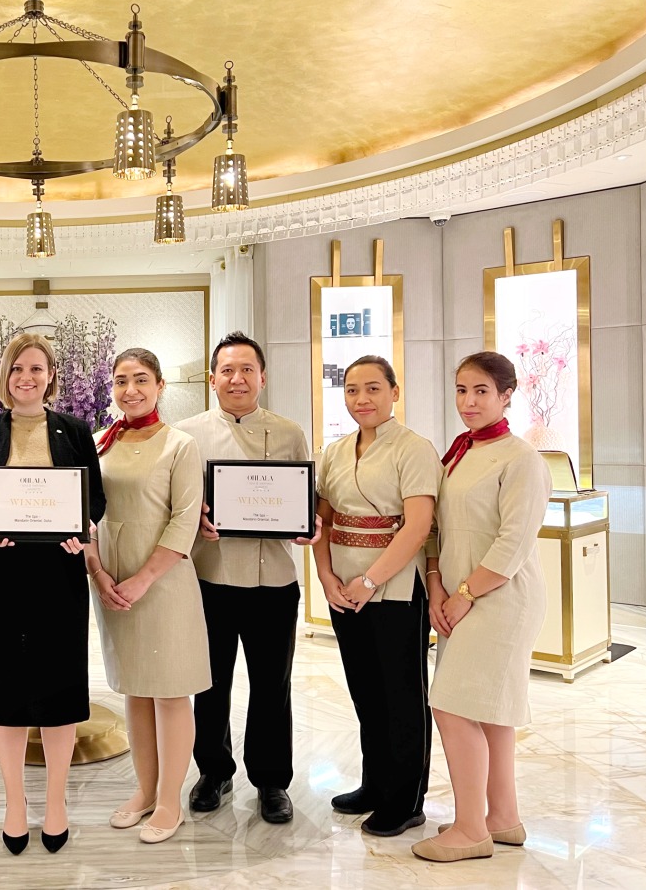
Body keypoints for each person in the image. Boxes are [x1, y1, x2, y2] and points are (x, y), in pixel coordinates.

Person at [0, 333, 106, 855]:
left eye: (37, 369)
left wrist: (80, 527)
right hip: (3, 572)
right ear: (5, 377)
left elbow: (97, 500)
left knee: (60, 691)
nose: (27, 378)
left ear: (51, 375)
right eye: (18, 369)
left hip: (59, 574)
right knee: (6, 692)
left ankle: (56, 803)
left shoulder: (76, 430)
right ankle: (15, 804)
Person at [412, 351, 551, 863]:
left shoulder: (521, 459)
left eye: (481, 392)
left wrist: (465, 594)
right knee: (491, 711)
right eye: (461, 390)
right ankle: (502, 816)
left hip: (500, 599)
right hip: (458, 598)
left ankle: (470, 829)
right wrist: (435, 587)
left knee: (451, 705)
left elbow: (514, 544)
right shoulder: (460, 453)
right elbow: (437, 530)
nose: (468, 402)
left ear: (507, 394)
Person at [175, 330, 319, 824]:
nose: (237, 379)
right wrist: (195, 520)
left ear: (262, 377)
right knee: (209, 684)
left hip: (274, 581)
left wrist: (307, 524)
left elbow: (305, 498)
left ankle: (272, 780)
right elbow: (176, 504)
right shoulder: (186, 434)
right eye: (227, 371)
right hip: (209, 577)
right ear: (212, 379)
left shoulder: (288, 432)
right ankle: (213, 771)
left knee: (271, 686)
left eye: (247, 370)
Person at [85, 348, 210, 844]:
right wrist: (97, 571)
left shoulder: (180, 444)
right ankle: (143, 790)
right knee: (135, 688)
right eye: (121, 381)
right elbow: (85, 512)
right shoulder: (99, 443)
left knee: (170, 692)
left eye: (141, 380)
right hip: (111, 583)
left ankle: (169, 801)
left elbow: (185, 519)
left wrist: (142, 579)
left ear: (160, 385)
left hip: (162, 584)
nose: (130, 390)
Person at [312, 356, 440, 837]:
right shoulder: (336, 450)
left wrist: (371, 582)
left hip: (395, 589)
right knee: (365, 690)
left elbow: (418, 526)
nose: (361, 399)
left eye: (372, 389)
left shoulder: (414, 448)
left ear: (394, 392)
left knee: (402, 695)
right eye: (351, 390)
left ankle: (406, 798)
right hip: (342, 587)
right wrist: (325, 576)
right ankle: (375, 783)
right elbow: (321, 520)